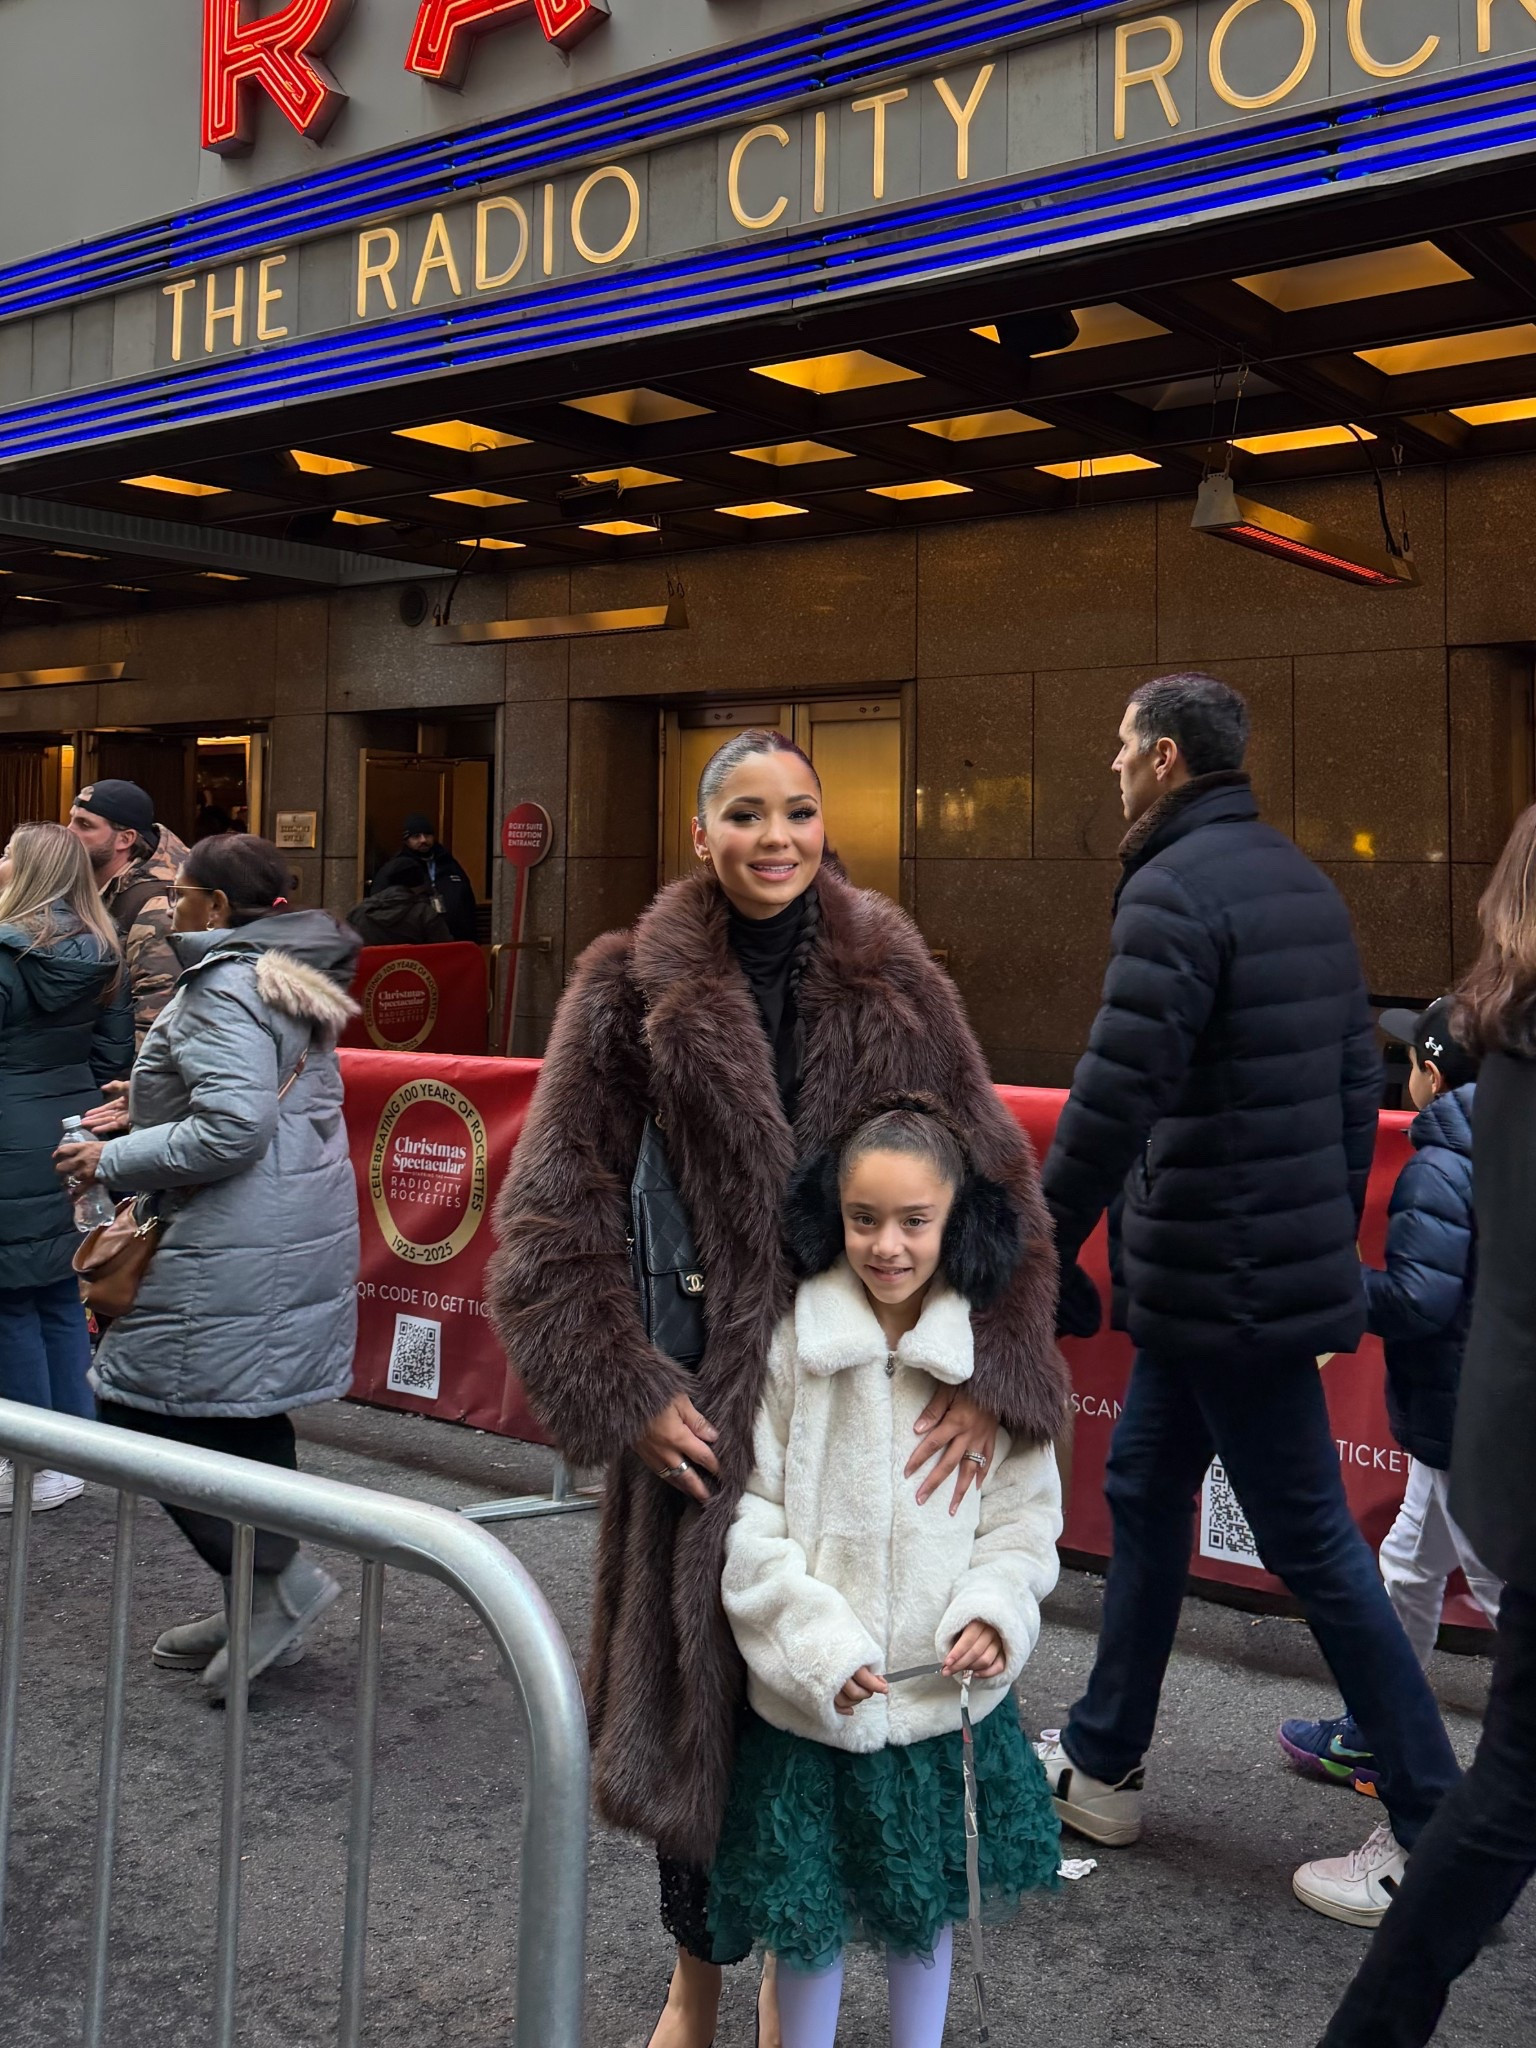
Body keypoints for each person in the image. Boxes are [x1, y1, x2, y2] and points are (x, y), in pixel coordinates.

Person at [488, 729, 1067, 2048]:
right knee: (707, 1728)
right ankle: (697, 1990)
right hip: (704, 1424)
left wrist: (999, 1382)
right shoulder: (624, 991)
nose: (774, 838)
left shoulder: (898, 981)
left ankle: (795, 1990)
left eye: (796, 812)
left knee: (855, 1733)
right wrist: (626, 1388)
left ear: (824, 824)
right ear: (702, 834)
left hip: (864, 1426)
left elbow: (1002, 1196)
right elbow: (548, 1222)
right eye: (744, 814)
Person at [1034, 671, 1459, 1927]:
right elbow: (1348, 1085)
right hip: (1245, 1274)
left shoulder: (1173, 888)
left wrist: (1041, 1244)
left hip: (1219, 1279)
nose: (1110, 763)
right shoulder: (1302, 883)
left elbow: (1116, 1090)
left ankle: (1437, 1826)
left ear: (1165, 758)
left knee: (1315, 1545)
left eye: (1120, 743)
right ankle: (1105, 1757)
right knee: (1147, 1485)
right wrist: (1319, 1247)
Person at [708, 1103, 1063, 2048]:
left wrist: (996, 1610)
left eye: (915, 1221)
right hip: (817, 1710)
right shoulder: (792, 1348)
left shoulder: (991, 1369)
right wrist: (815, 1647)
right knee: (808, 1930)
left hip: (942, 1707)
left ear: (959, 1223)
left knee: (925, 1916)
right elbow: (751, 1523)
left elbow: (1024, 1523)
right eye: (865, 1218)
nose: (888, 1245)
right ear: (834, 1216)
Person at [1317, 807, 1536, 2046]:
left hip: (1484, 1436)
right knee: (1411, 1562)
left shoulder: (1479, 1104)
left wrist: (1331, 1297)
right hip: (1478, 1431)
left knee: (1497, 1780)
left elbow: (1436, 1294)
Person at [54, 833, 361, 1694]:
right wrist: (145, 1098)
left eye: (184, 894)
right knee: (245, 1413)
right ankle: (258, 1596)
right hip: (282, 1225)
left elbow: (234, 1127)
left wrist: (110, 1160)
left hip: (231, 1234)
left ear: (216, 909)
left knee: (135, 1405)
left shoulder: (223, 982)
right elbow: (251, 1092)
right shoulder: (287, 971)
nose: (171, 906)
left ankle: (275, 1586)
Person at [1280, 998, 1499, 1798]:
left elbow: (1415, 1301)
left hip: (1461, 1423)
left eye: (1410, 1058)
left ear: (1430, 1077)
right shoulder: (1500, 1142)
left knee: (1503, 1594)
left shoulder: (1443, 1161)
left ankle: (1421, 1753)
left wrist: (1328, 1282)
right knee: (1408, 1565)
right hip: (1467, 1414)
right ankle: (1377, 1727)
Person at [0, 822, 132, 1514]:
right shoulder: (105, 949)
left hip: (9, 1130)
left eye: (6, 854)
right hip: (76, 1127)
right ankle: (77, 1445)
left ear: (26, 871)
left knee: (9, 1298)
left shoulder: (4, 953)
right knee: (56, 1287)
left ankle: (27, 1461)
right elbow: (116, 1062)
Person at [67, 779, 190, 1046]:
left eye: (85, 825)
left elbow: (155, 1014)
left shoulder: (155, 907)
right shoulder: (88, 886)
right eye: (72, 820)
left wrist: (128, 1084)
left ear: (125, 839)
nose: (69, 832)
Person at [398, 813, 477, 942]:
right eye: (416, 836)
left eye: (427, 835)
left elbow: (467, 899)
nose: (423, 840)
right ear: (407, 841)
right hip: (417, 940)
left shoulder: (448, 862)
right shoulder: (400, 866)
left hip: (455, 938)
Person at [347, 855, 455, 946]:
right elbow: (445, 952)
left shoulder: (358, 912)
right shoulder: (424, 914)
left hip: (370, 970)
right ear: (418, 885)